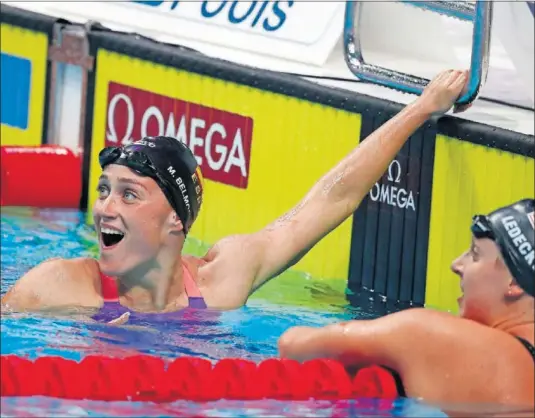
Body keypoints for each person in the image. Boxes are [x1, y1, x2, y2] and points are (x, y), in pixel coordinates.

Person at [1, 69, 469, 324]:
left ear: (175, 221)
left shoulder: (221, 283)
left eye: (129, 194)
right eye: (104, 191)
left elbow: (330, 201)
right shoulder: (58, 287)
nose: (105, 207)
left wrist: (422, 108)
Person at [277, 198, 535, 407]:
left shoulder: (428, 335)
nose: (456, 264)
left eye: (474, 255)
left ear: (514, 283)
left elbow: (293, 346)